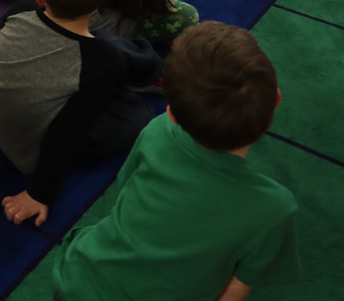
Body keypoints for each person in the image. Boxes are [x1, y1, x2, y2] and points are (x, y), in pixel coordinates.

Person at [53, 21, 299, 301]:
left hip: (79, 280)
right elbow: (234, 293)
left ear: (170, 112)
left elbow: (122, 199)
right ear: (275, 100)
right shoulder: (275, 208)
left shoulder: (157, 131)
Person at [0, 0, 161, 227]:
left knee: (102, 48)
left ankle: (145, 63)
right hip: (28, 149)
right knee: (137, 116)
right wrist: (39, 193)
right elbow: (69, 130)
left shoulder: (20, 11)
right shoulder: (99, 61)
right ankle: (152, 66)